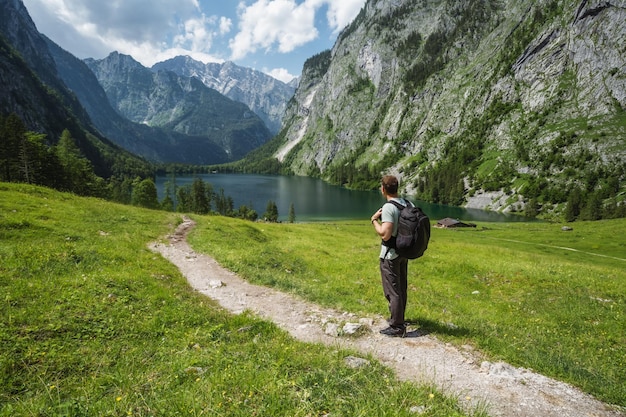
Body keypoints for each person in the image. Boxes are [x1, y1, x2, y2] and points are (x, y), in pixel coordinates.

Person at [370, 175, 409, 337]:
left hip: (390, 254)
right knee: (401, 287)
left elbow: (384, 234)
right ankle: (399, 318)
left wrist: (373, 220)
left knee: (392, 291)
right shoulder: (406, 203)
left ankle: (397, 327)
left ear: (383, 189)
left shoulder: (388, 207)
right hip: (403, 252)